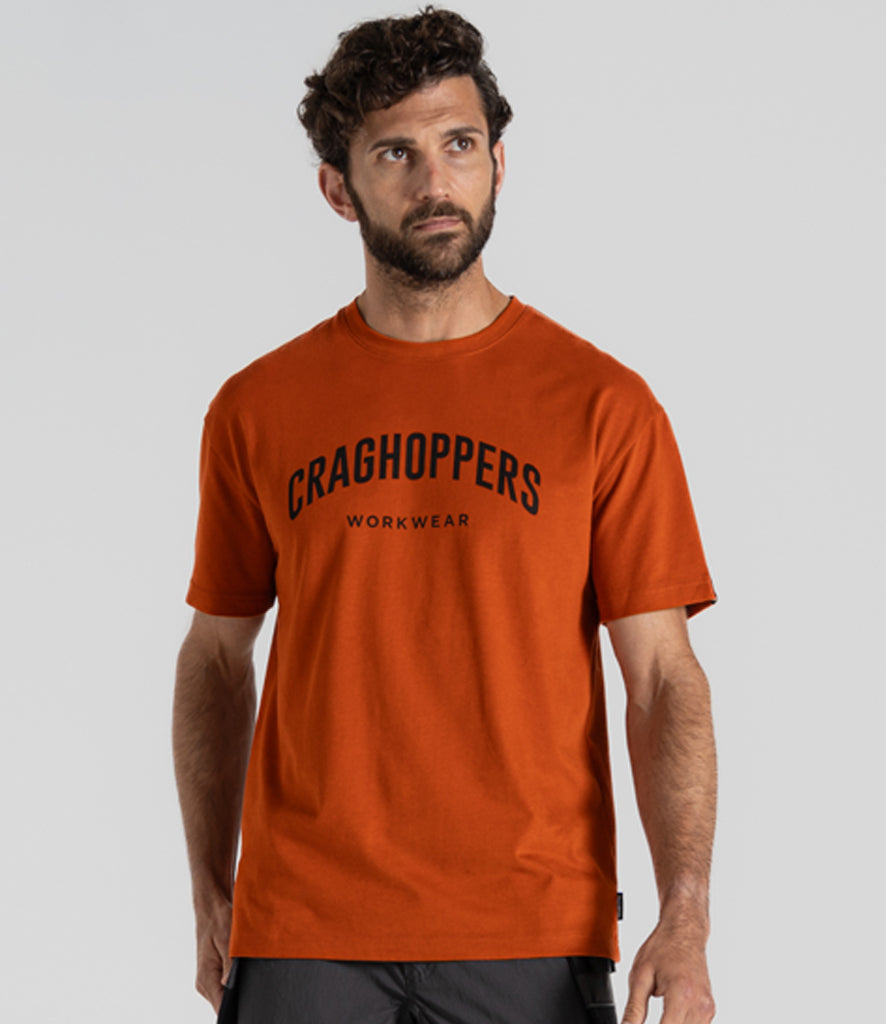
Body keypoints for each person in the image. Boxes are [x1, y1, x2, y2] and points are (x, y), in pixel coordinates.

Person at [173, 8, 718, 1024]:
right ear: (339, 188)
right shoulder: (256, 408)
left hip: (531, 929)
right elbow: (215, 655)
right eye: (397, 153)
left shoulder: (604, 406)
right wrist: (209, 885)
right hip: (304, 929)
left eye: (460, 145)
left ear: (498, 164)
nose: (436, 182)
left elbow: (661, 677)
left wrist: (684, 914)